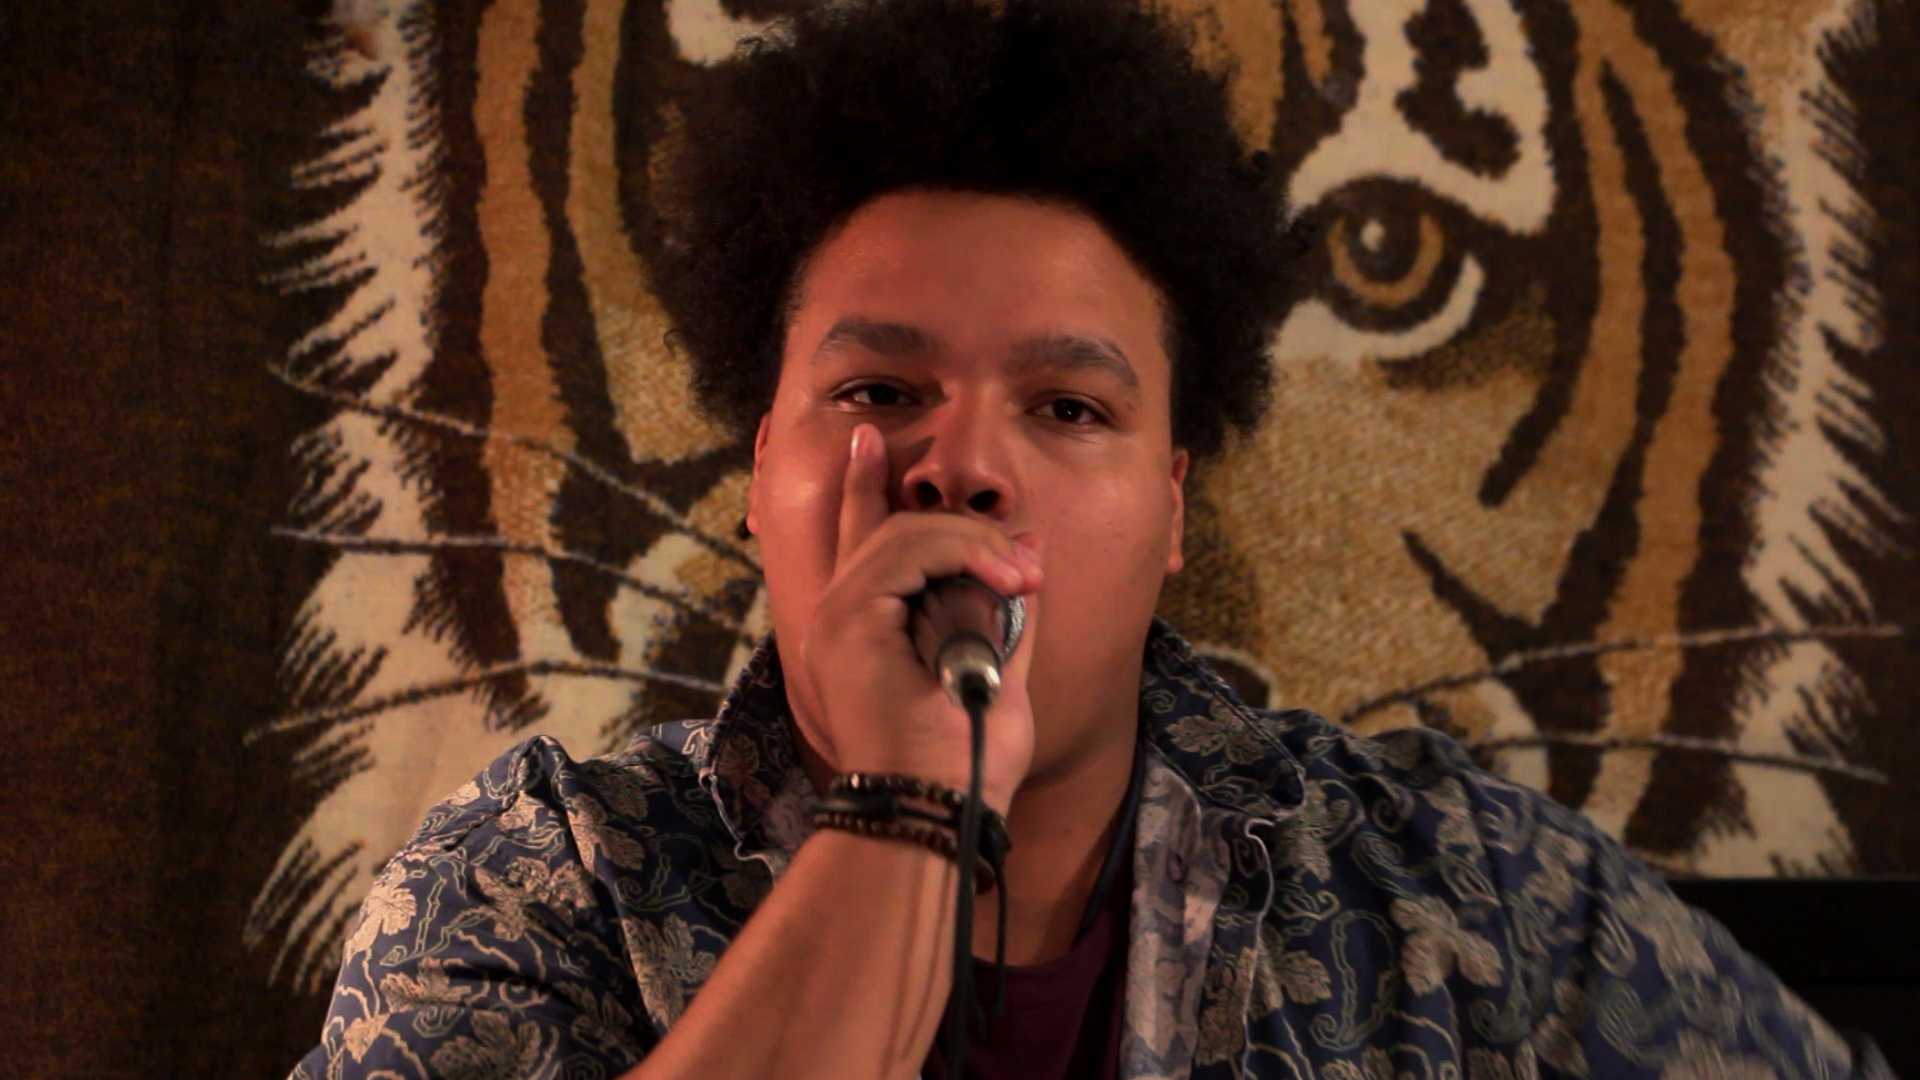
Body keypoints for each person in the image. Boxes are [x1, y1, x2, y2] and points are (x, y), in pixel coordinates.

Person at [291, 0, 1892, 1078]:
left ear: (1174, 508)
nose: (965, 466)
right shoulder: (540, 881)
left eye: (1068, 407)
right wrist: (910, 805)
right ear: (765, 470)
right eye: (879, 391)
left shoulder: (1455, 892)